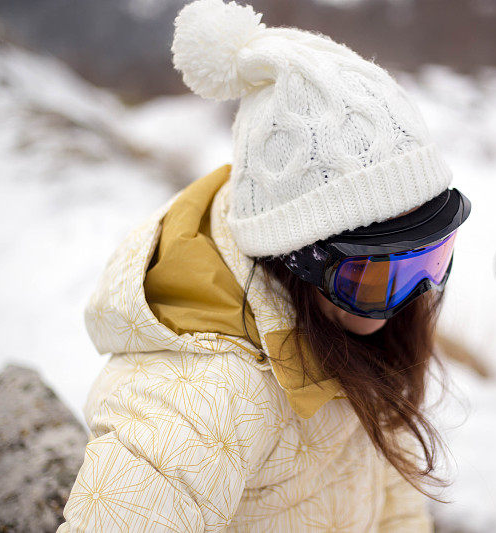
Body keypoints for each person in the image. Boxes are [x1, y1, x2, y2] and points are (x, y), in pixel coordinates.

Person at [58, 0, 471, 531]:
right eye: (376, 275)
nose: (417, 292)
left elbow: (393, 504)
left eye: (434, 257)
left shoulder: (357, 332)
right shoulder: (207, 396)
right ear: (297, 257)